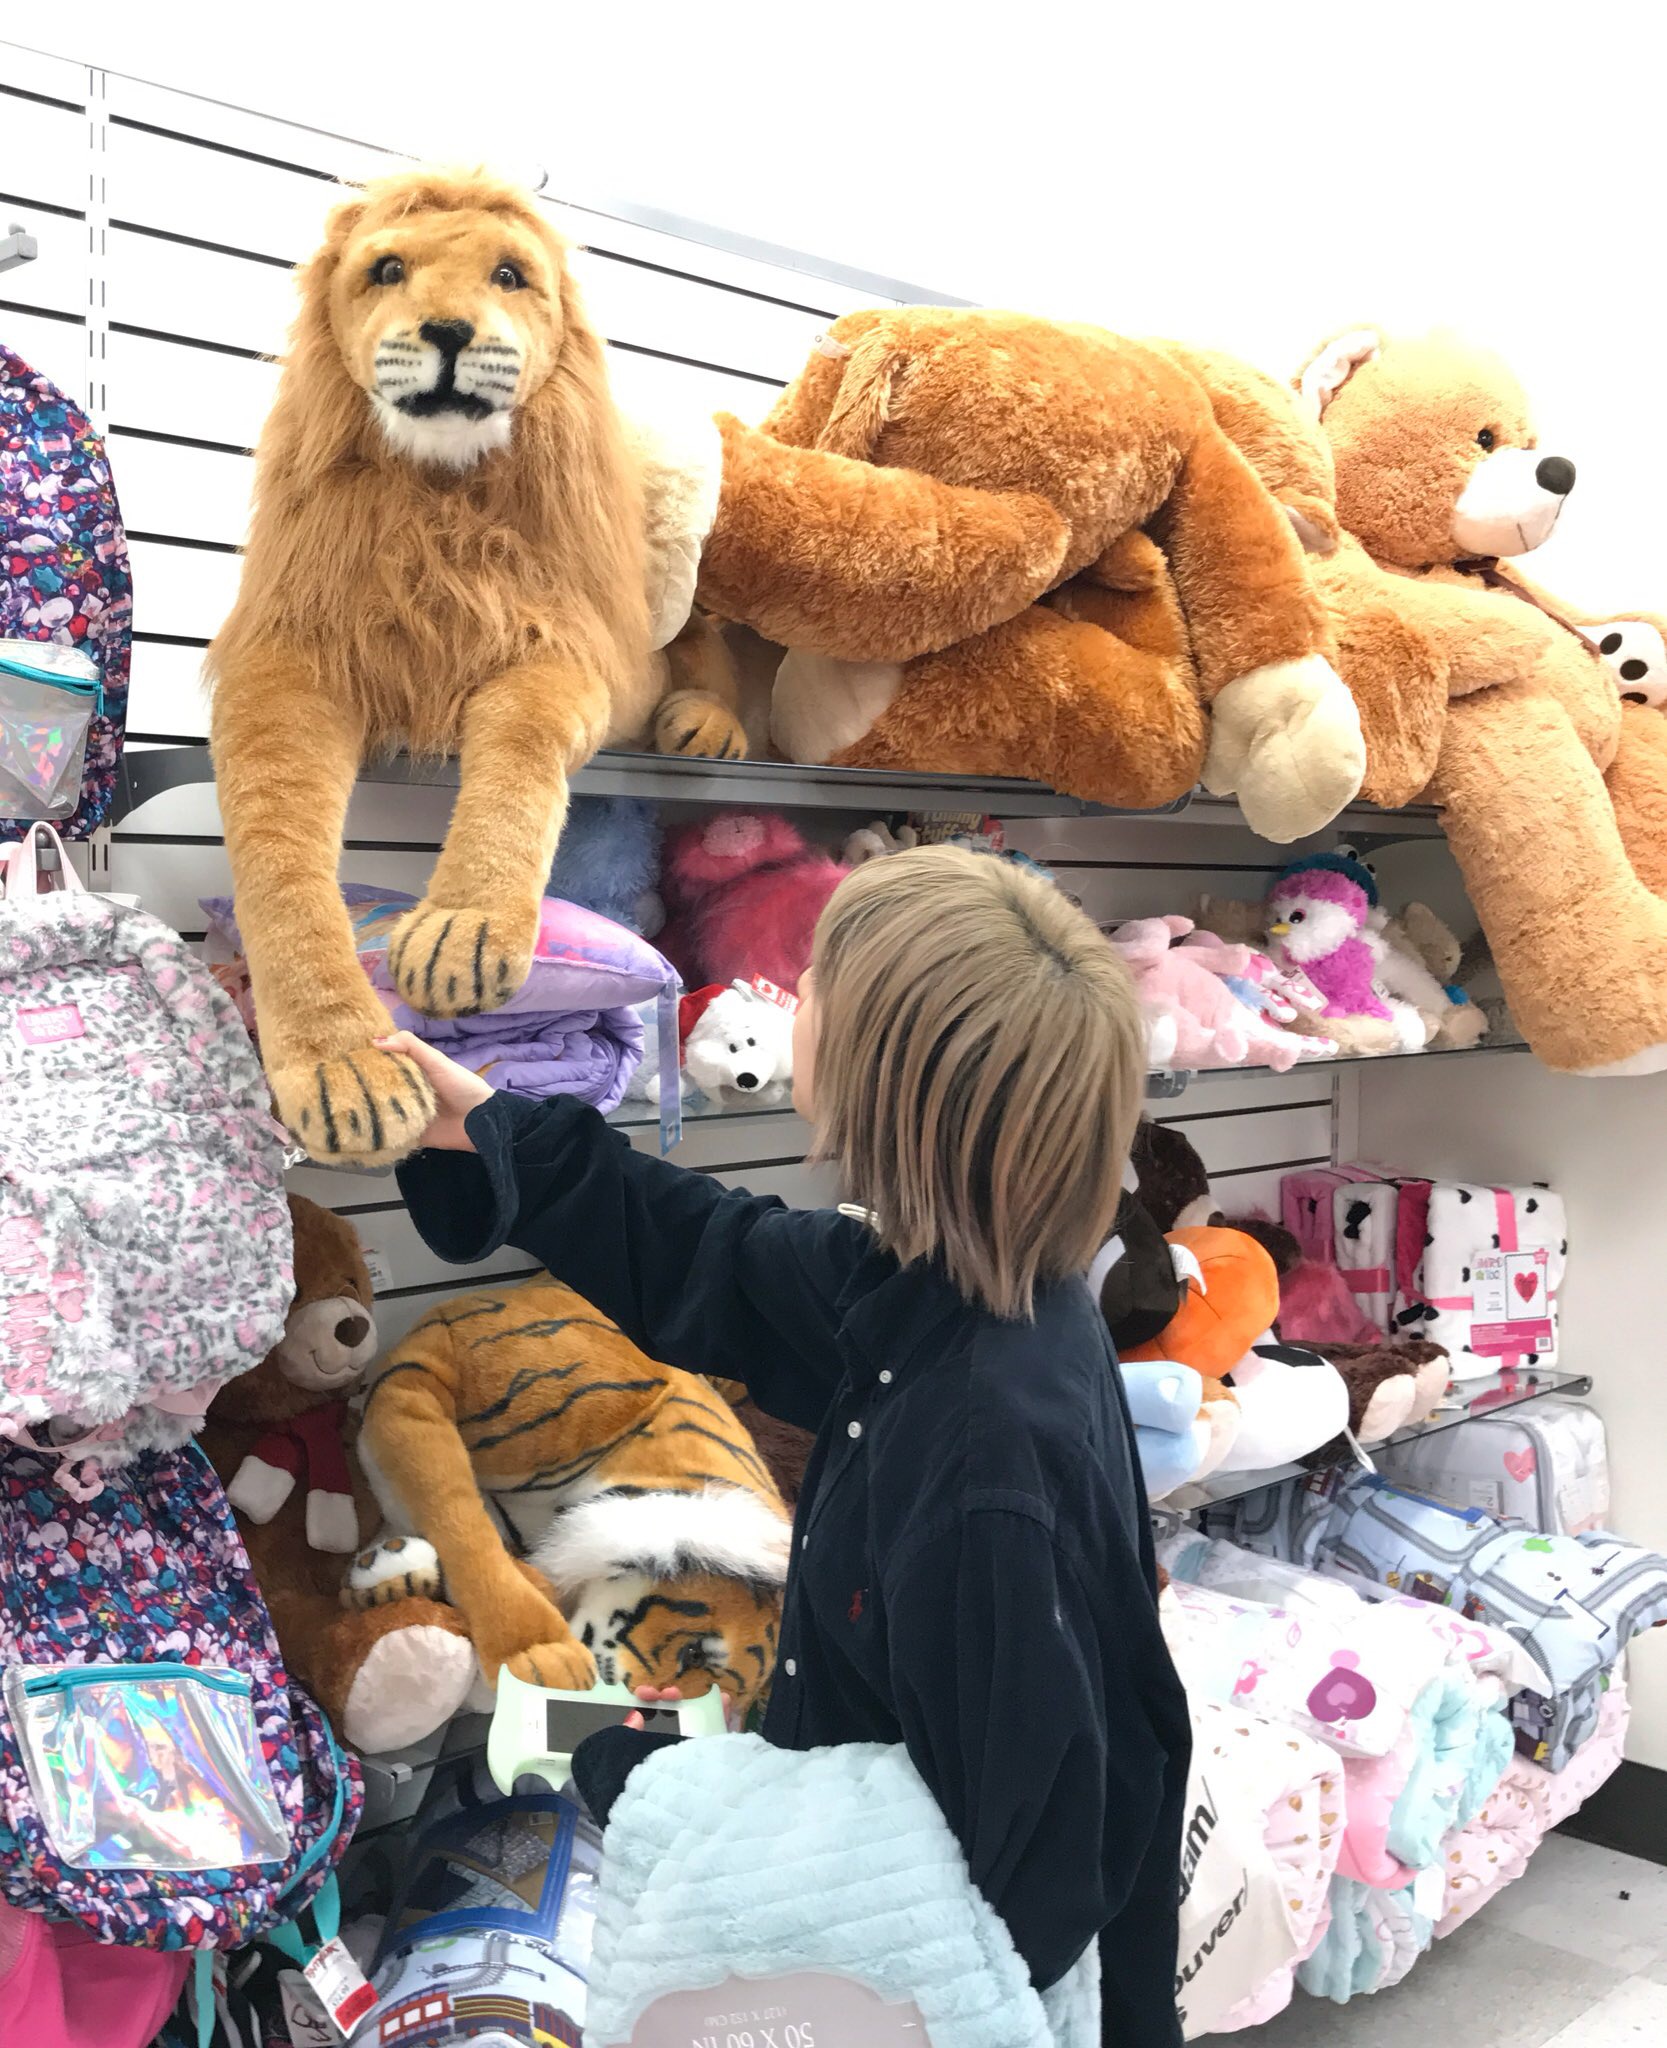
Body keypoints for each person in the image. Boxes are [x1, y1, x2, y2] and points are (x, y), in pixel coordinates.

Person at [385, 845, 1191, 2045]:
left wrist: (654, 1785)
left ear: (887, 1073)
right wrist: (483, 1127)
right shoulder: (950, 1285)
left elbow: (1012, 1886)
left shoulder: (983, 1453)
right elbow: (715, 1253)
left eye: (817, 978)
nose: (789, 991)